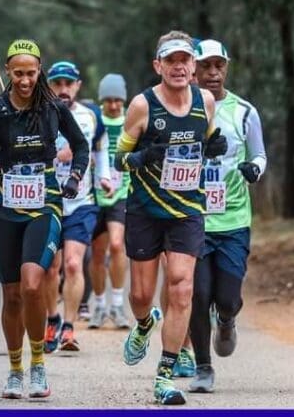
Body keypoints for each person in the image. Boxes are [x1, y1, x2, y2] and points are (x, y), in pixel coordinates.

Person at [0, 40, 89, 400]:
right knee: (12, 295)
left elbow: (81, 145)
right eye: (18, 73)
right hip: (4, 207)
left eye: (31, 73)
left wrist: (75, 177)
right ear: (7, 71)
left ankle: (38, 364)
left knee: (33, 284)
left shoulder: (52, 107)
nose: (26, 80)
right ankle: (15, 370)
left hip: (44, 203)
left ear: (39, 69)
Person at [114, 31, 225, 405]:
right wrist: (142, 157)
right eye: (171, 60)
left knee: (181, 286)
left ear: (193, 66)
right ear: (157, 65)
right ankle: (145, 323)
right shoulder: (142, 106)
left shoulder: (205, 101)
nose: (179, 67)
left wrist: (215, 145)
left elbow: (207, 139)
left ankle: (165, 376)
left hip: (187, 210)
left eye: (185, 60)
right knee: (142, 295)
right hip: (145, 210)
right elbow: (119, 158)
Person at [185, 39, 267, 393]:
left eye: (219, 66)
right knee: (197, 294)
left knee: (227, 297)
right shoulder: (179, 109)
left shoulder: (245, 111)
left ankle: (229, 319)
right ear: (194, 70)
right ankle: (203, 366)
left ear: (227, 68)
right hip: (191, 217)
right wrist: (198, 149)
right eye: (205, 67)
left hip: (233, 218)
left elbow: (260, 155)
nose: (212, 73)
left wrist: (254, 170)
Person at [41, 61, 111, 352]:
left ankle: (69, 327)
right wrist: (58, 155)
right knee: (50, 267)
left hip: (82, 202)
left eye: (68, 83)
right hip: (47, 200)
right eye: (57, 83)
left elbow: (101, 146)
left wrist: (104, 175)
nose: (63, 89)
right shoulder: (41, 113)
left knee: (72, 263)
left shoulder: (92, 115)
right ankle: (52, 319)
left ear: (78, 86)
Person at [89, 73, 131, 330]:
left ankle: (117, 304)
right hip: (95, 195)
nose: (113, 105)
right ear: (101, 100)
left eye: (117, 100)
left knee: (117, 245)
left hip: (122, 193)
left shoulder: (132, 120)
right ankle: (99, 305)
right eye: (109, 100)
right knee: (96, 253)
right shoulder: (94, 121)